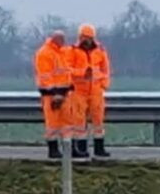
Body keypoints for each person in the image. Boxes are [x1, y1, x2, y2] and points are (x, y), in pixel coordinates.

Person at [67, 23, 112, 159]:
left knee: (98, 120)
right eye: (84, 37)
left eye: (89, 37)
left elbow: (105, 69)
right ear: (80, 37)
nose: (87, 40)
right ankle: (81, 149)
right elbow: (67, 69)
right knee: (79, 122)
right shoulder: (72, 51)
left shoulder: (100, 51)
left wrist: (104, 84)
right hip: (78, 91)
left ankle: (99, 149)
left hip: (96, 91)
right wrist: (82, 73)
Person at [33, 30, 77, 160]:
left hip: (65, 93)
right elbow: (45, 77)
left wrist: (67, 90)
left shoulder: (63, 51)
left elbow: (66, 72)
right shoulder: (44, 53)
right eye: (61, 39)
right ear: (54, 39)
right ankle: (53, 150)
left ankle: (69, 149)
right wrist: (54, 94)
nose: (63, 41)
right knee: (52, 124)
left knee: (67, 123)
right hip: (51, 95)